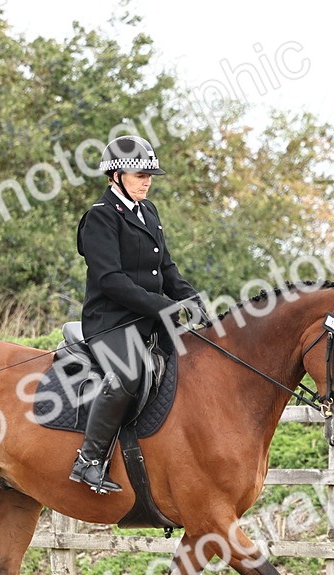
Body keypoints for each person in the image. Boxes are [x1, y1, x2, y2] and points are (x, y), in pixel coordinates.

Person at [69, 135, 208, 494]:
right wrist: (163, 306)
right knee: (129, 374)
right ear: (116, 176)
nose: (147, 181)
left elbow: (166, 268)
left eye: (149, 175)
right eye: (139, 175)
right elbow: (111, 280)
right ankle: (89, 460)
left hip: (150, 321)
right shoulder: (99, 218)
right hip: (110, 322)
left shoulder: (148, 211)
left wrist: (191, 299)